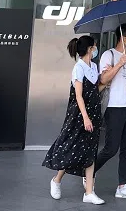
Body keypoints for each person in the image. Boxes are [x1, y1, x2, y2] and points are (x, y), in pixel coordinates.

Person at [43, 35, 105, 205]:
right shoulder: (78, 68)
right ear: (90, 49)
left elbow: (94, 91)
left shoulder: (94, 66)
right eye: (94, 46)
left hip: (93, 113)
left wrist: (105, 82)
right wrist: (85, 118)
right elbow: (78, 95)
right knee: (72, 148)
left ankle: (89, 192)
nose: (96, 49)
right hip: (79, 115)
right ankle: (56, 180)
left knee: (90, 150)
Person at [95, 23, 126, 201]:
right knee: (111, 148)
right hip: (114, 107)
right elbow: (103, 79)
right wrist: (119, 64)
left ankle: (123, 186)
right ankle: (88, 171)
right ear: (123, 37)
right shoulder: (109, 55)